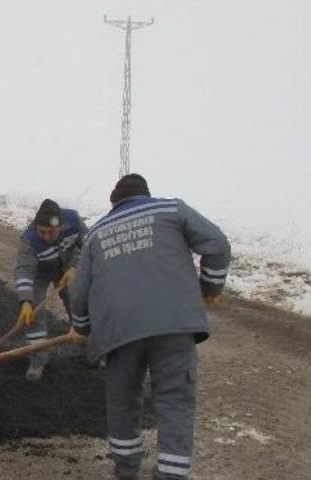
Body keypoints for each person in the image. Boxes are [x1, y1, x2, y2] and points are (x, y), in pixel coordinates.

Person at [69, 174, 231, 480]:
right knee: (174, 402)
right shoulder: (172, 210)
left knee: (123, 400)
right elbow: (218, 245)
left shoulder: (96, 233)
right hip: (174, 326)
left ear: (114, 203)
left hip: (118, 331)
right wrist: (210, 287)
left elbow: (80, 290)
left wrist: (82, 326)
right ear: (146, 195)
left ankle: (126, 471)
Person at [13, 198, 88, 381]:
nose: (45, 236)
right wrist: (25, 302)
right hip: (40, 272)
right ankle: (38, 360)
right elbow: (24, 271)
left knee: (79, 303)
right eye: (42, 231)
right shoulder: (29, 240)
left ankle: (91, 348)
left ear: (61, 227)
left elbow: (90, 246)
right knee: (33, 316)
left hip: (67, 268)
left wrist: (76, 267)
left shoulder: (73, 221)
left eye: (50, 232)